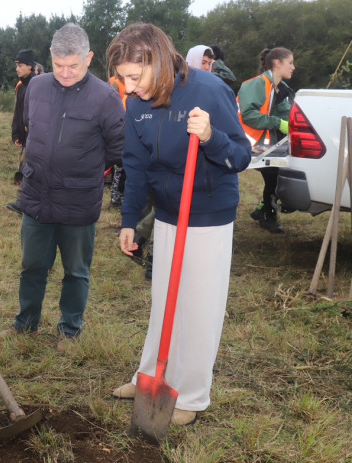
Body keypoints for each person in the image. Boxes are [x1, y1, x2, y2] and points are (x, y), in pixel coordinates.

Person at [107, 23, 251, 426]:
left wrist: (210, 136)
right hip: (169, 212)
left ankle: (190, 396)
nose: (129, 87)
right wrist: (130, 220)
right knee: (165, 302)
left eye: (134, 77)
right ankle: (150, 375)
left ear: (156, 59)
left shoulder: (207, 91)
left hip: (207, 215)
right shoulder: (135, 103)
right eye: (122, 79)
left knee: (198, 307)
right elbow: (135, 166)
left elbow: (241, 156)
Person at [0, 23, 125, 350]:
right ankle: (25, 324)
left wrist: (85, 168)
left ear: (89, 58)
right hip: (36, 197)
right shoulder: (36, 87)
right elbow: (30, 128)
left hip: (79, 202)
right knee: (32, 267)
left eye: (74, 66)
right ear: (50, 59)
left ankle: (70, 330)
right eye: (58, 65)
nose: (65, 73)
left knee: (76, 271)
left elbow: (117, 148)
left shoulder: (106, 97)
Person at [238, 47, 296, 234]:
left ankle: (264, 210)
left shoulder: (279, 89)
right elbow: (249, 115)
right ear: (277, 63)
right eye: (290, 62)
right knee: (274, 177)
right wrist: (278, 122)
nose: (293, 67)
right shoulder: (257, 84)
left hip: (264, 145)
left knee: (276, 176)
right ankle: (267, 213)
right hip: (245, 143)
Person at [7, 49, 37, 213]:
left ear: (30, 67)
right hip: (25, 136)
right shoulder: (21, 86)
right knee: (26, 166)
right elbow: (19, 112)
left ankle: (23, 203)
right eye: (17, 65)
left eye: (20, 65)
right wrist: (16, 133)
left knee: (28, 167)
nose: (17, 69)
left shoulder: (36, 85)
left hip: (34, 136)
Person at [108, 76, 128, 208]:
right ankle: (115, 197)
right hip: (120, 127)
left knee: (124, 168)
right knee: (120, 167)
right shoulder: (115, 83)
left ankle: (119, 196)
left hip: (127, 126)